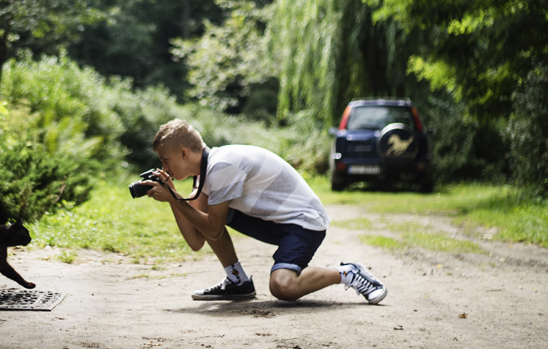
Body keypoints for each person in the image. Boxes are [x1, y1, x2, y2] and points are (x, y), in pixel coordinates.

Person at [140, 119, 387, 304]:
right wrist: (173, 198)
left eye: (165, 159)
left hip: (304, 222)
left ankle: (346, 272)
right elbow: (196, 240)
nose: (164, 167)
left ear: (184, 154)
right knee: (213, 216)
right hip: (276, 222)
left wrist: (174, 197)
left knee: (282, 287)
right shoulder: (205, 176)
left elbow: (213, 229)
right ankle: (237, 281)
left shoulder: (221, 166)